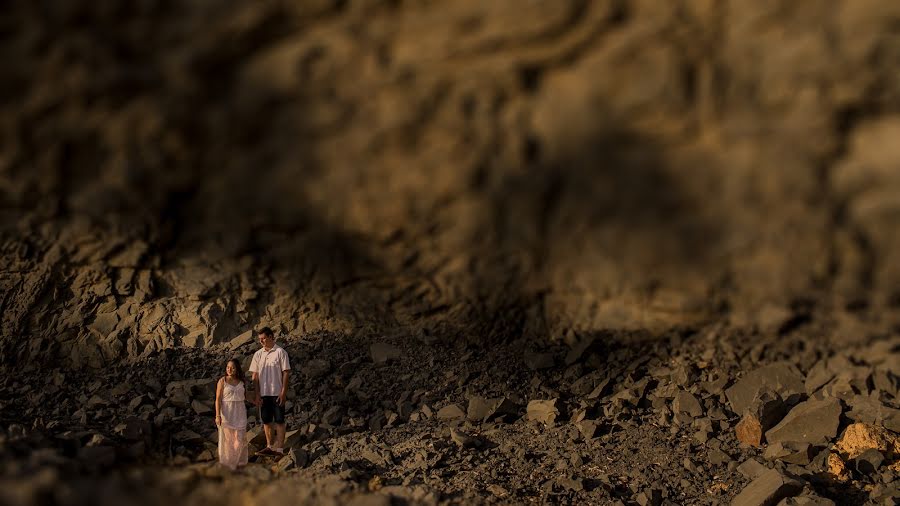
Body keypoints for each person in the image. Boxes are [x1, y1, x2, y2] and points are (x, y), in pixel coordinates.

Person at [248, 327, 291, 456]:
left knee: (279, 420)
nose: (261, 341)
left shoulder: (280, 352)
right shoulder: (258, 354)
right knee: (266, 420)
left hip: (277, 392)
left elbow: (286, 373)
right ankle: (269, 446)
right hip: (264, 393)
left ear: (271, 337)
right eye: (260, 339)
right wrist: (257, 393)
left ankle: (279, 449)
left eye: (264, 338)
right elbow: (255, 376)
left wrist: (283, 392)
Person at [215, 358, 248, 470]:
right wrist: (217, 415)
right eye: (228, 367)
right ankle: (229, 465)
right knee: (228, 440)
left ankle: (237, 463)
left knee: (239, 440)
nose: (229, 369)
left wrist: (257, 400)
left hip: (240, 411)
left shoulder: (242, 381)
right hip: (226, 412)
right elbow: (218, 399)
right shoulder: (222, 381)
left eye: (232, 367)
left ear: (237, 369)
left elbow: (245, 396)